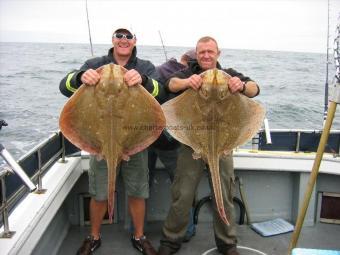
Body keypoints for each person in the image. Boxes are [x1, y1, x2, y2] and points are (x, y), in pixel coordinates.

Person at [59, 27, 166, 255]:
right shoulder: (94, 63)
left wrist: (144, 80)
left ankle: (139, 236)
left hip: (134, 139)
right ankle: (93, 236)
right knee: (99, 192)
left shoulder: (144, 66)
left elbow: (161, 91)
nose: (123, 40)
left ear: (135, 41)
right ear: (113, 40)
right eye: (119, 36)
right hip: (99, 141)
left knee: (137, 191)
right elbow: (65, 87)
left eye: (128, 36)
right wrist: (80, 77)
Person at [157, 36, 260, 255]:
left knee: (224, 194)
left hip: (223, 143)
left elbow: (255, 89)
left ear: (217, 54)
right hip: (192, 143)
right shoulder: (188, 73)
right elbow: (170, 84)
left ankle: (227, 243)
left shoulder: (230, 74)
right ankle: (170, 240)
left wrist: (240, 85)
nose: (205, 55)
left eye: (209, 52)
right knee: (182, 194)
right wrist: (187, 82)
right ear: (196, 54)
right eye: (201, 52)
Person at [148, 50, 197, 242]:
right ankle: (187, 229)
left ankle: (138, 230)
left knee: (142, 186)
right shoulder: (188, 76)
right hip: (171, 140)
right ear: (189, 63)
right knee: (183, 188)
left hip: (145, 135)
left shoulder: (158, 70)